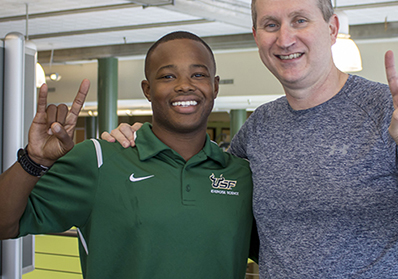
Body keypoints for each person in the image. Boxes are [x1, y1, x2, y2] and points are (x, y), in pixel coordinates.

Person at [103, 0, 398, 278]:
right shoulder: (257, 129)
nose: (285, 39)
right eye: (271, 25)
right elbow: (196, 182)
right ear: (256, 35)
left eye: (300, 20)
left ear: (333, 28)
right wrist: (143, 138)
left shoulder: (390, 114)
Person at [0, 31, 255, 278]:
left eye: (198, 74)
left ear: (215, 85)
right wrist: (34, 161)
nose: (184, 85)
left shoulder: (242, 175)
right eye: (167, 76)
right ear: (147, 89)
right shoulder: (97, 159)